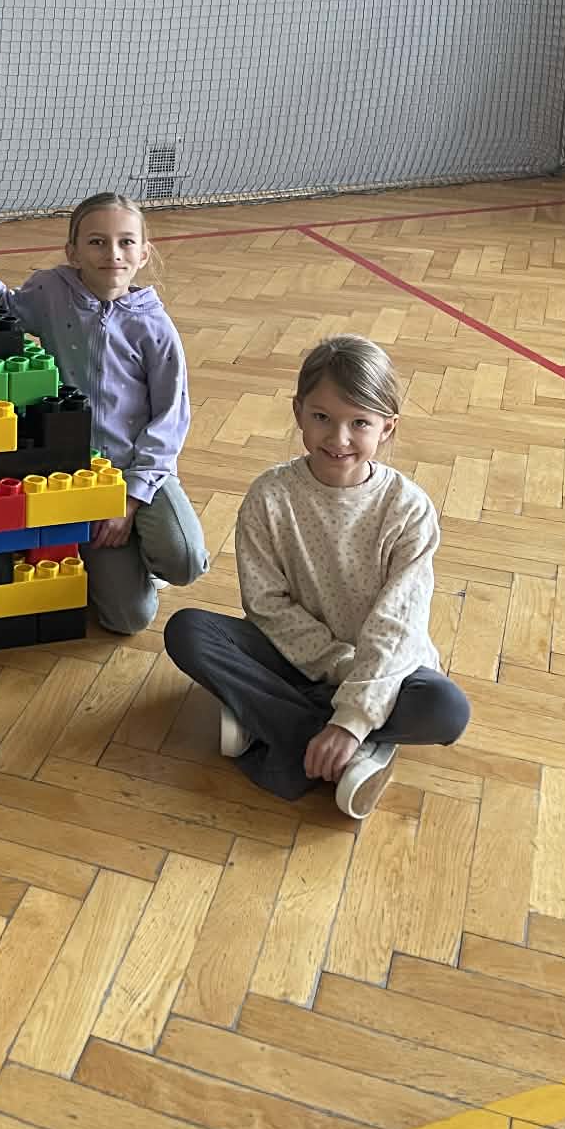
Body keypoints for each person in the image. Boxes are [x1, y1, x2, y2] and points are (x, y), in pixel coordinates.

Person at [164, 333, 470, 818]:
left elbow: (398, 623)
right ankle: (351, 748)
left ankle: (272, 722)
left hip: (383, 668)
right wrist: (339, 671)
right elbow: (266, 606)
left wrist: (353, 714)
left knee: (447, 709)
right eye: (322, 417)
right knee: (188, 630)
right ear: (298, 412)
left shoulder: (408, 509)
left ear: (387, 428)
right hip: (296, 657)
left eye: (359, 423)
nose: (338, 438)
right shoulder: (269, 497)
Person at [0, 192, 207, 633]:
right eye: (97, 242)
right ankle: (106, 550)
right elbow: (8, 307)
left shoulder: (155, 327)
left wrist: (130, 501)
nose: (112, 253)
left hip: (138, 469)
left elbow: (171, 418)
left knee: (186, 559)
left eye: (125, 242)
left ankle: (144, 549)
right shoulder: (51, 291)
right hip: (78, 472)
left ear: (143, 254)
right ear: (73, 252)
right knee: (129, 619)